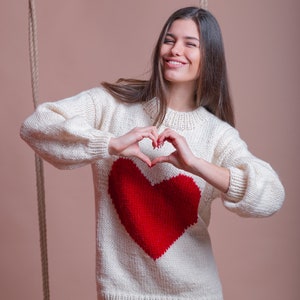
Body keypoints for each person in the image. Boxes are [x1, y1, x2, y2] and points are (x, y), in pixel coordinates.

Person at [20, 6, 285, 300]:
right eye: (169, 40)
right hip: (121, 292)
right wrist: (110, 144)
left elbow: (272, 196)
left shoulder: (217, 134)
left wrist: (196, 164)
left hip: (196, 293)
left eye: (190, 43)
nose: (175, 50)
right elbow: (36, 126)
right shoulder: (112, 105)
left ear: (210, 57)